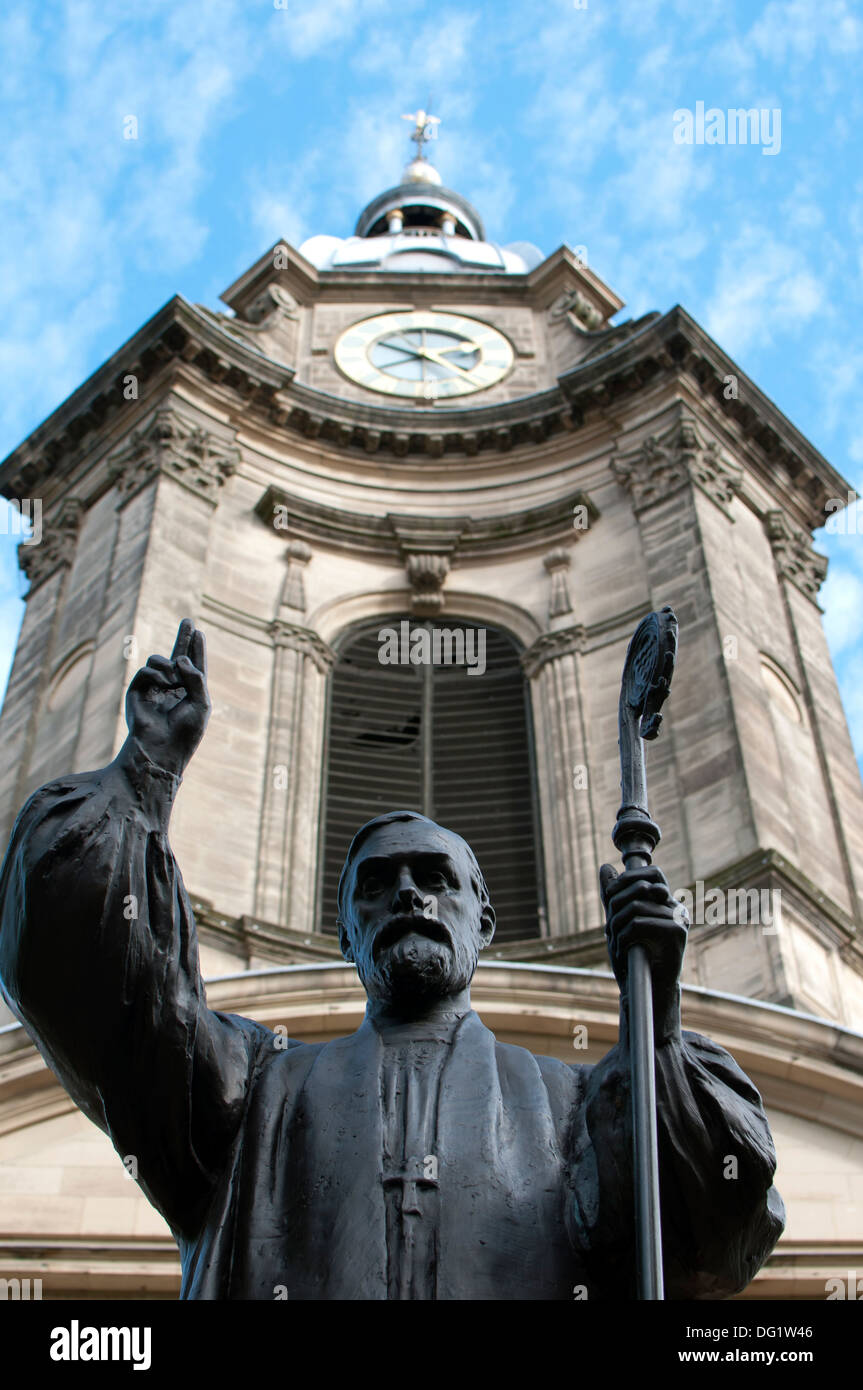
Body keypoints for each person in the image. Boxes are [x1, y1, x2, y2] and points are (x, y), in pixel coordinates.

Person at [0, 620, 784, 1299]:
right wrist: (147, 769)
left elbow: (711, 1239)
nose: (409, 896)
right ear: (343, 932)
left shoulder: (586, 1108)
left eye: (435, 879)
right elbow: (95, 980)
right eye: (376, 885)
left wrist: (658, 1026)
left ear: (484, 919)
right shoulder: (245, 1094)